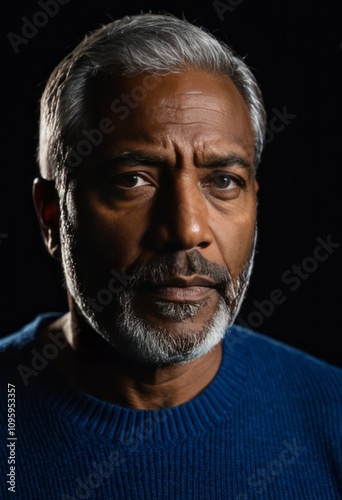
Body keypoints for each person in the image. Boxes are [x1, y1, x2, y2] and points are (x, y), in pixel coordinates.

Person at [1, 12, 341, 500]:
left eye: (223, 182)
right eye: (133, 179)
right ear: (51, 216)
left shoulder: (333, 418)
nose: (186, 230)